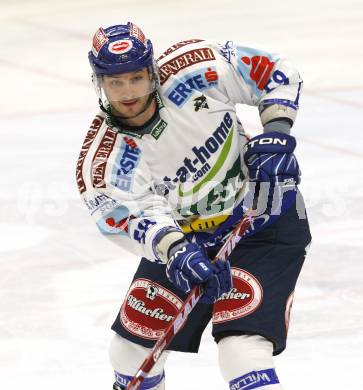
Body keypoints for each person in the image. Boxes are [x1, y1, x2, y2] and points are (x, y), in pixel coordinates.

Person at [76, 22, 311, 390]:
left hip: (262, 218)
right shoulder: (106, 158)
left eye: (136, 78)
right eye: (114, 82)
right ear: (98, 83)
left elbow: (275, 71)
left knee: (241, 353)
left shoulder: (194, 68)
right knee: (130, 350)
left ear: (152, 71)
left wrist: (277, 132)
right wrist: (176, 249)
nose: (127, 92)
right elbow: (123, 217)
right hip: (188, 241)